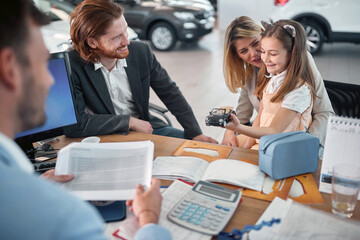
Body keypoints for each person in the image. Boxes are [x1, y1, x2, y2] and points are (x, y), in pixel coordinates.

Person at [0, 1, 171, 239]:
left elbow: (170, 91)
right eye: (42, 62)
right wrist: (150, 218)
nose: (51, 81)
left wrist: (35, 187)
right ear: (9, 68)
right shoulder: (67, 219)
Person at [63, 0, 217, 144]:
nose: (126, 41)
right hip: (103, 138)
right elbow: (74, 125)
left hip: (146, 130)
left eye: (125, 31)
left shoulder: (141, 52)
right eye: (117, 37)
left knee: (192, 148)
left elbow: (170, 92)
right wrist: (128, 122)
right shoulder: (72, 64)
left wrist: (195, 132)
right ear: (92, 42)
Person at [221, 16, 334, 149]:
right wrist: (230, 132)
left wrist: (308, 144)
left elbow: (324, 112)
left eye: (255, 43)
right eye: (244, 51)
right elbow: (244, 115)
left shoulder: (300, 63)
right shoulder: (252, 74)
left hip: (299, 139)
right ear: (237, 56)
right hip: (268, 137)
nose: (254, 54)